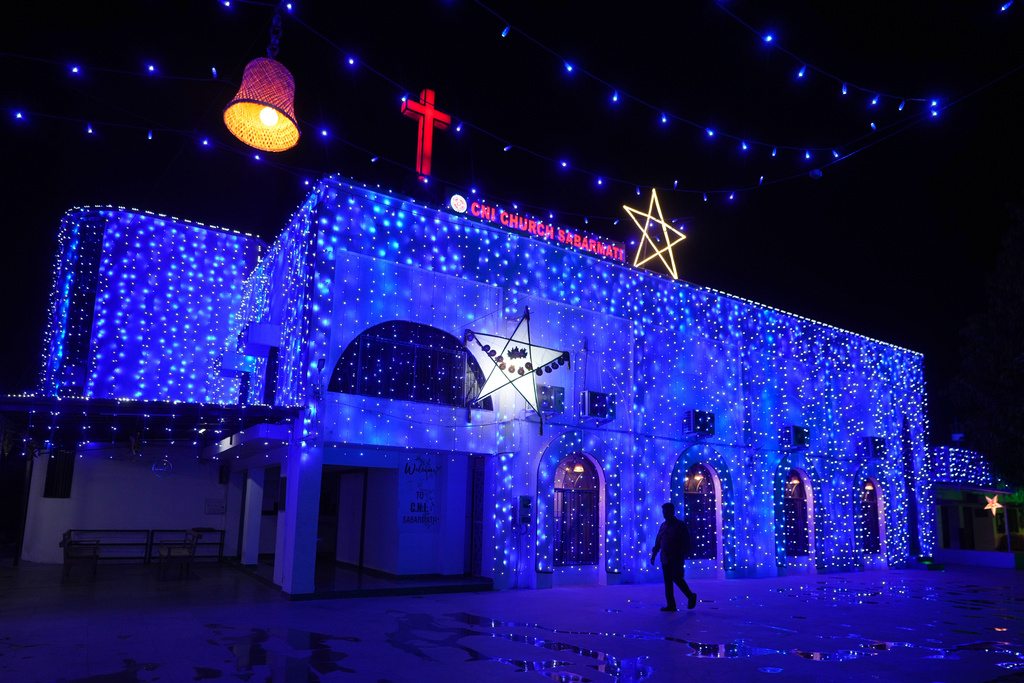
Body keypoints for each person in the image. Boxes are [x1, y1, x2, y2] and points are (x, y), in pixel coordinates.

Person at [650, 502, 697, 611]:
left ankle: (691, 596)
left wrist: (681, 553)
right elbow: (658, 541)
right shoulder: (663, 525)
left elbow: (686, 541)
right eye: (664, 512)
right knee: (668, 582)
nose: (665, 514)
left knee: (677, 578)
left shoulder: (680, 525)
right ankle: (671, 604)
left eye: (666, 512)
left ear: (672, 512)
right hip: (665, 557)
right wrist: (654, 554)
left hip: (676, 557)